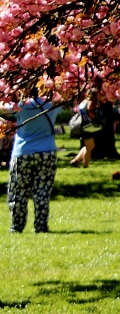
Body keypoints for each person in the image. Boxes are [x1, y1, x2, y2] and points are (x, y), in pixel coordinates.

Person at [4, 87, 62, 233]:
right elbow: (62, 101)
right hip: (47, 151)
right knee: (42, 191)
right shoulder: (51, 104)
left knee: (18, 191)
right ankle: (41, 226)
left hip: (23, 152)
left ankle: (16, 226)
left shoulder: (21, 106)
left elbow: (3, 107)